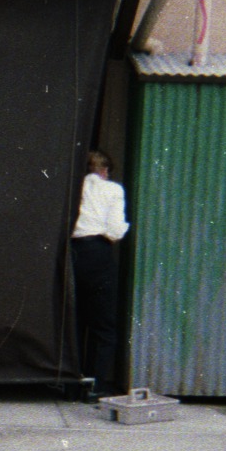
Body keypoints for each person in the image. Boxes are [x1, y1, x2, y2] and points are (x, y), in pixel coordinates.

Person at [70, 149, 130, 396]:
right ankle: (95, 385)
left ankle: (70, 384)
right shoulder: (112, 189)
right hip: (97, 252)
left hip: (72, 252)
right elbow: (115, 230)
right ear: (104, 171)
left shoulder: (73, 189)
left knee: (74, 320)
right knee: (103, 324)